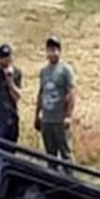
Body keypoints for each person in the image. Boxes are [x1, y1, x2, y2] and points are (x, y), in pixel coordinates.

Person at [35, 36, 77, 173]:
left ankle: (70, 184)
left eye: (54, 50)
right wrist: (37, 115)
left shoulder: (65, 70)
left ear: (59, 51)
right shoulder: (44, 72)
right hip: (47, 120)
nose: (51, 53)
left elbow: (72, 93)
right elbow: (41, 93)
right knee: (50, 156)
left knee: (66, 155)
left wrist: (68, 116)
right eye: (49, 50)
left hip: (60, 120)